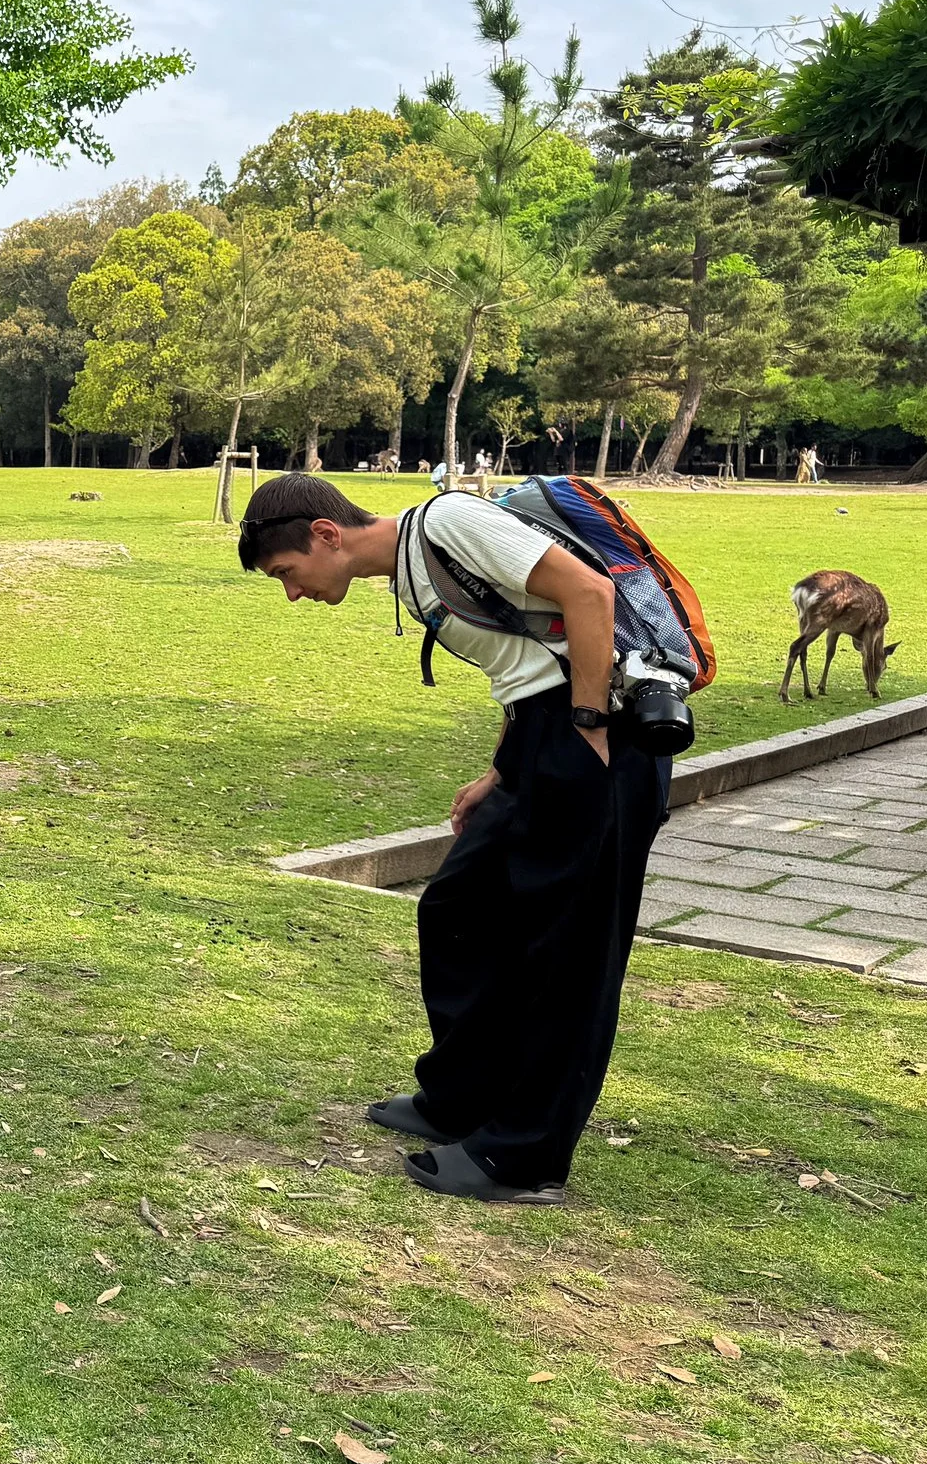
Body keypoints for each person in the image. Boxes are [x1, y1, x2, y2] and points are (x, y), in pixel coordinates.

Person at [238, 472, 667, 1207]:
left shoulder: (449, 524)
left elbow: (589, 595)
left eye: (287, 574)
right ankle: (460, 1098)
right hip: (541, 731)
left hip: (602, 732)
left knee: (569, 954)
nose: (293, 593)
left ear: (324, 534)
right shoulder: (411, 567)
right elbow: (525, 658)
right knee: (458, 904)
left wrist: (588, 729)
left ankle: (525, 1159)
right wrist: (500, 771)